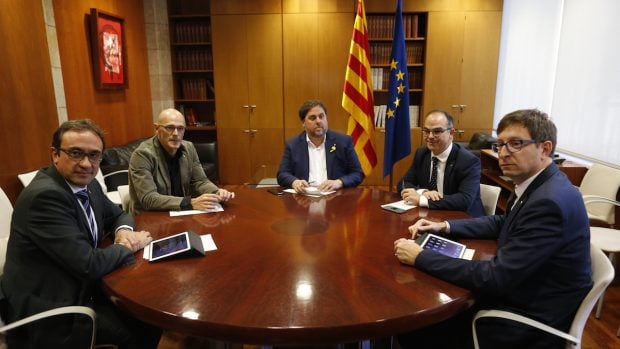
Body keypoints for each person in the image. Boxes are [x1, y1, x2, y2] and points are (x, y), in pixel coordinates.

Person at [393, 109, 592, 348]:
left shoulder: (549, 201)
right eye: (500, 145)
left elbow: (496, 277)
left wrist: (421, 257)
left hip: (526, 320)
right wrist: (444, 226)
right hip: (523, 290)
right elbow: (503, 222)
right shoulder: (538, 184)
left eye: (516, 144)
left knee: (416, 329)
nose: (504, 154)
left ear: (545, 148)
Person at [1, 119, 160, 348]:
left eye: (95, 155)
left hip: (81, 286)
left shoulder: (88, 184)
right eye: (76, 153)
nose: (86, 164)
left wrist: (124, 231)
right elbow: (89, 264)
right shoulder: (45, 198)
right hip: (52, 311)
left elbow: (118, 215)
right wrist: (128, 246)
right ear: (55, 154)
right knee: (143, 328)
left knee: (146, 308)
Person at [128, 108, 234, 214]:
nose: (176, 133)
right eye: (170, 128)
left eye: (180, 128)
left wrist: (217, 192)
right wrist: (189, 203)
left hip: (180, 213)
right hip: (150, 217)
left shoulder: (188, 148)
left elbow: (200, 181)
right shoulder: (142, 155)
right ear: (157, 128)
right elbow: (149, 199)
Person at [397, 110, 485, 217]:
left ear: (451, 133)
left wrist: (423, 200)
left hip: (463, 219)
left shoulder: (468, 161)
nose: (430, 136)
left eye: (437, 131)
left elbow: (464, 200)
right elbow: (404, 183)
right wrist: (423, 192)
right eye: (426, 131)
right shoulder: (422, 153)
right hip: (432, 215)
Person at [277, 99, 364, 193]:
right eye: (312, 118)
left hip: (335, 198)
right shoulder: (293, 145)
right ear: (303, 123)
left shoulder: (343, 141)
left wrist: (339, 182)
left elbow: (357, 173)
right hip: (304, 198)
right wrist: (294, 182)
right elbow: (282, 174)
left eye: (321, 116)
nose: (318, 121)